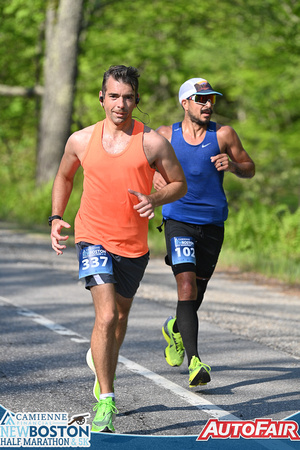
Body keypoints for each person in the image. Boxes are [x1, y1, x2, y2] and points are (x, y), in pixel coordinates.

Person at [49, 65, 187, 433]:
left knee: (120, 318)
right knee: (107, 316)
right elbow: (64, 176)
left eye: (128, 97)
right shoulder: (81, 140)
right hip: (92, 235)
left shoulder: (152, 142)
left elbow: (179, 184)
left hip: (133, 245)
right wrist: (56, 217)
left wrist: (155, 198)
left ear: (136, 100)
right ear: (101, 98)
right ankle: (107, 400)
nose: (120, 104)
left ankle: (102, 365)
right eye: (113, 96)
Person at [153, 77, 255, 388]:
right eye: (201, 100)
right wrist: (152, 181)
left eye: (211, 99)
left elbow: (249, 167)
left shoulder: (223, 134)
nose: (208, 104)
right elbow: (139, 165)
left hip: (212, 223)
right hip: (178, 219)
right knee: (186, 287)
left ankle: (174, 327)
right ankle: (195, 361)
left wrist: (233, 166)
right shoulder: (165, 135)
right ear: (185, 103)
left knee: (197, 290)